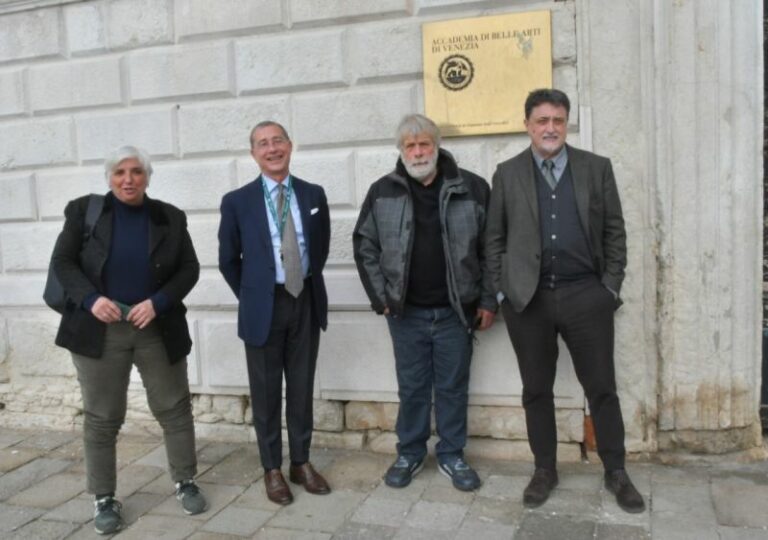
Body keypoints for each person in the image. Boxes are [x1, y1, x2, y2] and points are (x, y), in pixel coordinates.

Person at [485, 88, 645, 513]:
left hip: (586, 296)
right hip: (529, 300)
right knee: (536, 389)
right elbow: (494, 239)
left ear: (567, 123)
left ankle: (616, 471)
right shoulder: (508, 173)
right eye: (542, 120)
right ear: (528, 125)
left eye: (558, 120)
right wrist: (504, 292)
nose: (550, 128)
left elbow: (615, 232)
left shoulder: (596, 168)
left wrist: (608, 288)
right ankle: (544, 469)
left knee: (602, 388)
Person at [51, 146, 206, 535]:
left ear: (147, 177)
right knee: (103, 418)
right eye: (120, 172)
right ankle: (104, 497)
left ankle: (185, 480)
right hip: (99, 331)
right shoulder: (84, 211)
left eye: (137, 171)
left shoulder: (169, 217)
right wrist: (91, 300)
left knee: (174, 408)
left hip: (156, 327)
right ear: (109, 177)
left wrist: (159, 301)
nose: (129, 179)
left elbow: (189, 268)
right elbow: (63, 263)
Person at [353, 114, 496, 492]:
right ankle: (411, 452)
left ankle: (452, 454)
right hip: (406, 312)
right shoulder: (383, 191)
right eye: (410, 146)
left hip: (455, 311)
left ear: (437, 145)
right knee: (412, 386)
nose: (418, 152)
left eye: (424, 144)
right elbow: (365, 244)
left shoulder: (472, 188)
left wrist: (487, 301)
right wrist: (381, 298)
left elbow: (492, 250)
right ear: (401, 151)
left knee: (452, 385)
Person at [218, 121, 331, 505]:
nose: (272, 149)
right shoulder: (237, 201)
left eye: (277, 141)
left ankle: (301, 462)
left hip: (305, 301)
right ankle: (272, 469)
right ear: (253, 154)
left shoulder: (313, 194)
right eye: (262, 144)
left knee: (301, 387)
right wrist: (254, 295)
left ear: (290, 146)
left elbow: (321, 247)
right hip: (263, 306)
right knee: (266, 393)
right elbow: (228, 260)